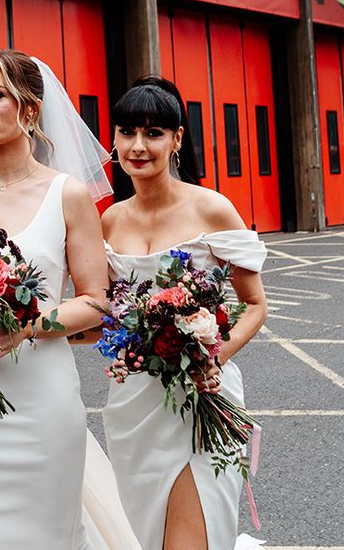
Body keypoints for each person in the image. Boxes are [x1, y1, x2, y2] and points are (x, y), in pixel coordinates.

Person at [0, 50, 126, 550]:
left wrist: (25, 327)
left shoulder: (68, 194)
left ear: (30, 109)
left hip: (40, 405)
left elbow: (96, 302)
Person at [98, 76, 268, 550]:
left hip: (202, 399)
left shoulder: (212, 209)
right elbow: (105, 315)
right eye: (127, 132)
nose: (137, 145)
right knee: (152, 535)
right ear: (113, 139)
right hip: (134, 405)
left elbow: (255, 306)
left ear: (176, 140)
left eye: (153, 133)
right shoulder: (109, 220)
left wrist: (214, 359)